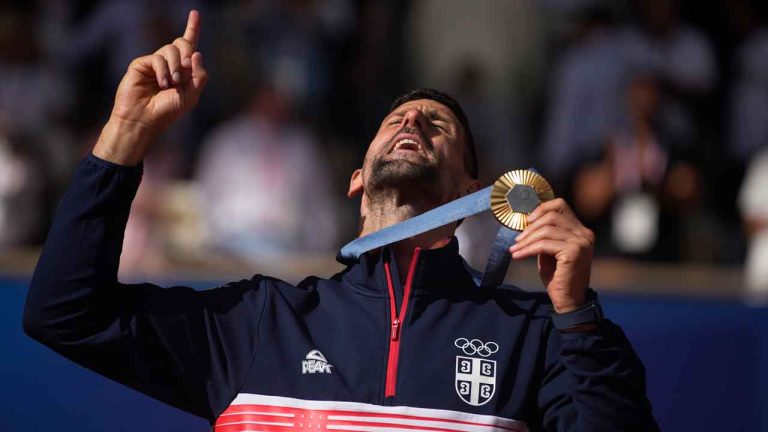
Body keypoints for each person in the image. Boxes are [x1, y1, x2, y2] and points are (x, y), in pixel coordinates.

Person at [23, 10, 659, 431]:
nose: (412, 122)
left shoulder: (532, 335)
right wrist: (124, 136)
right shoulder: (260, 323)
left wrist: (576, 312)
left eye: (437, 126)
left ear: (477, 189)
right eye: (396, 121)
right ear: (357, 179)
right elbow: (65, 314)